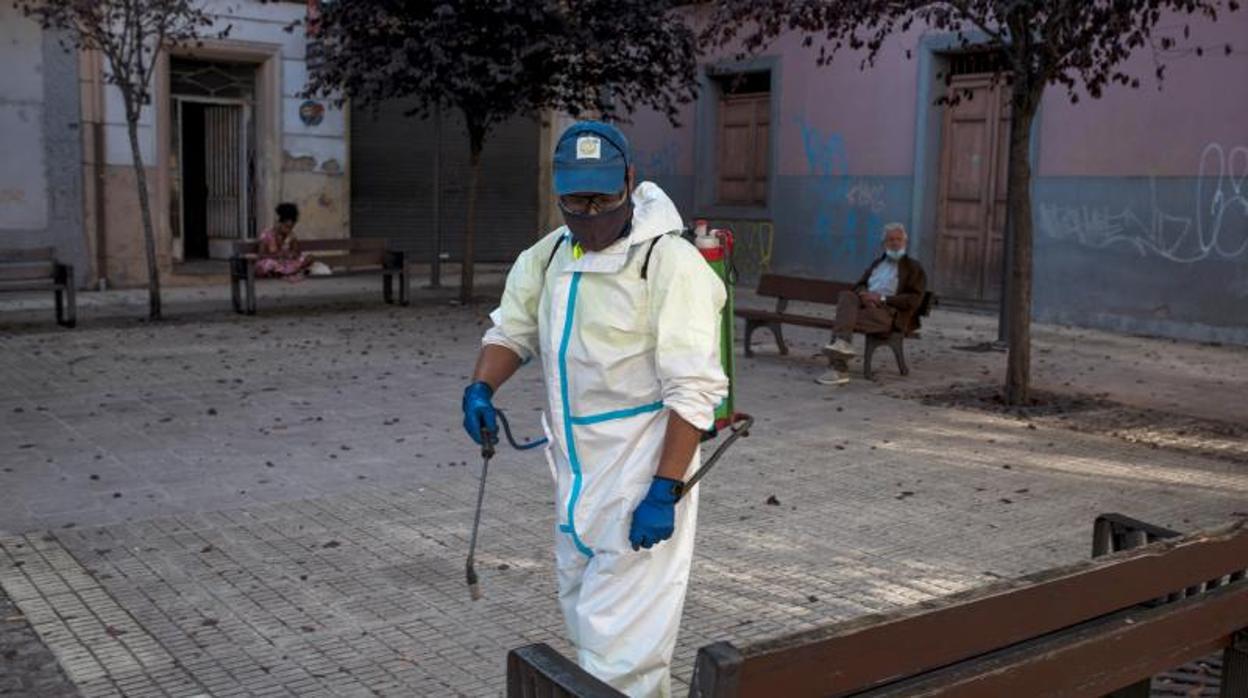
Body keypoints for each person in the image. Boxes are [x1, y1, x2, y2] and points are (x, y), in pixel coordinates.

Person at [461, 121, 728, 697]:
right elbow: (513, 331)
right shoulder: (548, 256)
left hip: (641, 474)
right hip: (574, 474)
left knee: (621, 657)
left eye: (601, 198)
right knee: (586, 624)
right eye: (573, 199)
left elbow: (694, 390)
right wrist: (481, 388)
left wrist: (665, 491)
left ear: (629, 182)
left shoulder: (670, 264)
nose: (587, 212)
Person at [819, 222, 927, 385]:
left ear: (905, 243)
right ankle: (841, 347)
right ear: (884, 244)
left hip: (889, 314)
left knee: (843, 320)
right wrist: (863, 295)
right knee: (847, 296)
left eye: (899, 239)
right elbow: (859, 285)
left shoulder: (913, 268)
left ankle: (838, 369)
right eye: (891, 240)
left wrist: (881, 299)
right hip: (865, 308)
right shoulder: (877, 264)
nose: (895, 243)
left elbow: (914, 300)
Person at [256, 203, 315, 280]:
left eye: (291, 227)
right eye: (286, 227)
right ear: (280, 223)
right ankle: (287, 272)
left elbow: (297, 253)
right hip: (273, 261)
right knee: (266, 265)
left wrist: (292, 253)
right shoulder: (266, 234)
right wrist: (276, 255)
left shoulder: (291, 236)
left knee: (309, 258)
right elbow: (261, 255)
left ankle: (283, 272)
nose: (289, 230)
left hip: (287, 262)